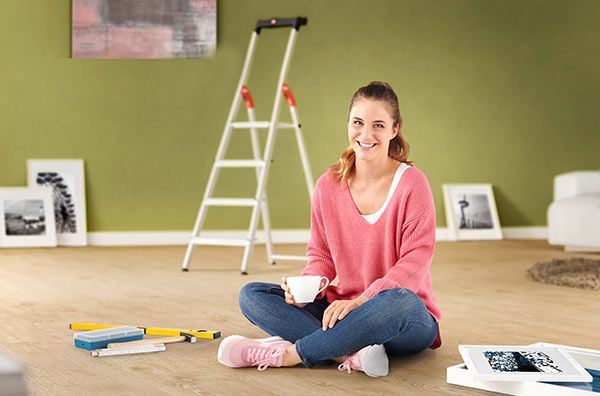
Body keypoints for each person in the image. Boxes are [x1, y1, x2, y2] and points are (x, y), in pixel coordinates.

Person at [217, 81, 441, 377]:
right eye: (358, 123)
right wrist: (304, 290)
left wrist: (361, 302)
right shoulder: (328, 185)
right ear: (348, 123)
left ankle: (292, 354)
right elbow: (320, 254)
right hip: (338, 309)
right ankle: (351, 353)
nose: (366, 134)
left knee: (401, 301)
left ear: (394, 129)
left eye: (378, 125)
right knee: (252, 295)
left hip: (400, 319)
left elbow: (414, 264)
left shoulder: (413, 184)